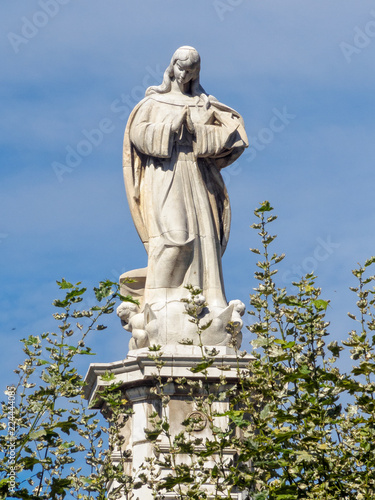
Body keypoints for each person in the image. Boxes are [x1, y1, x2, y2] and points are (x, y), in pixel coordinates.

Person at [120, 46, 248, 347]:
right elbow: (139, 136)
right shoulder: (153, 101)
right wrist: (170, 128)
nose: (185, 73)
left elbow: (232, 136)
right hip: (165, 174)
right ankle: (158, 301)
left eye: (191, 69)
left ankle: (204, 302)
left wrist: (199, 132)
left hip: (196, 175)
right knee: (175, 236)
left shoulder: (204, 104)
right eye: (181, 67)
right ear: (171, 66)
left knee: (203, 239)